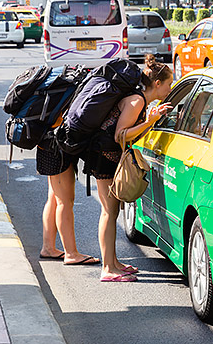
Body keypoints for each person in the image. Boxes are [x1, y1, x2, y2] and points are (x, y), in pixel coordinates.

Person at [84, 54, 173, 282]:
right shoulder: (137, 101)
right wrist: (149, 121)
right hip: (104, 156)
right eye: (169, 84)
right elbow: (120, 134)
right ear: (157, 84)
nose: (170, 88)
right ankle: (107, 268)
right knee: (108, 212)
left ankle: (114, 262)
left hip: (109, 156)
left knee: (113, 213)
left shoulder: (140, 100)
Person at [37, 139, 100, 265]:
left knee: (54, 197)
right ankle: (71, 253)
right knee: (64, 201)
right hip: (59, 146)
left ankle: (48, 248)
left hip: (48, 144)